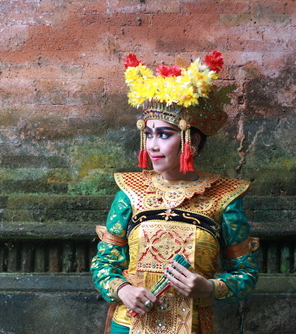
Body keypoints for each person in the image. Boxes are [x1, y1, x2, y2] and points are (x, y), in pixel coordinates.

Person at [91, 51, 259, 334]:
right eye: (149, 133)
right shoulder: (129, 191)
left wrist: (209, 287)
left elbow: (246, 274)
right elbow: (103, 263)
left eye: (164, 135)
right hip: (129, 324)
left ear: (189, 140)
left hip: (192, 326)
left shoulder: (224, 196)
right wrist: (122, 290)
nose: (152, 145)